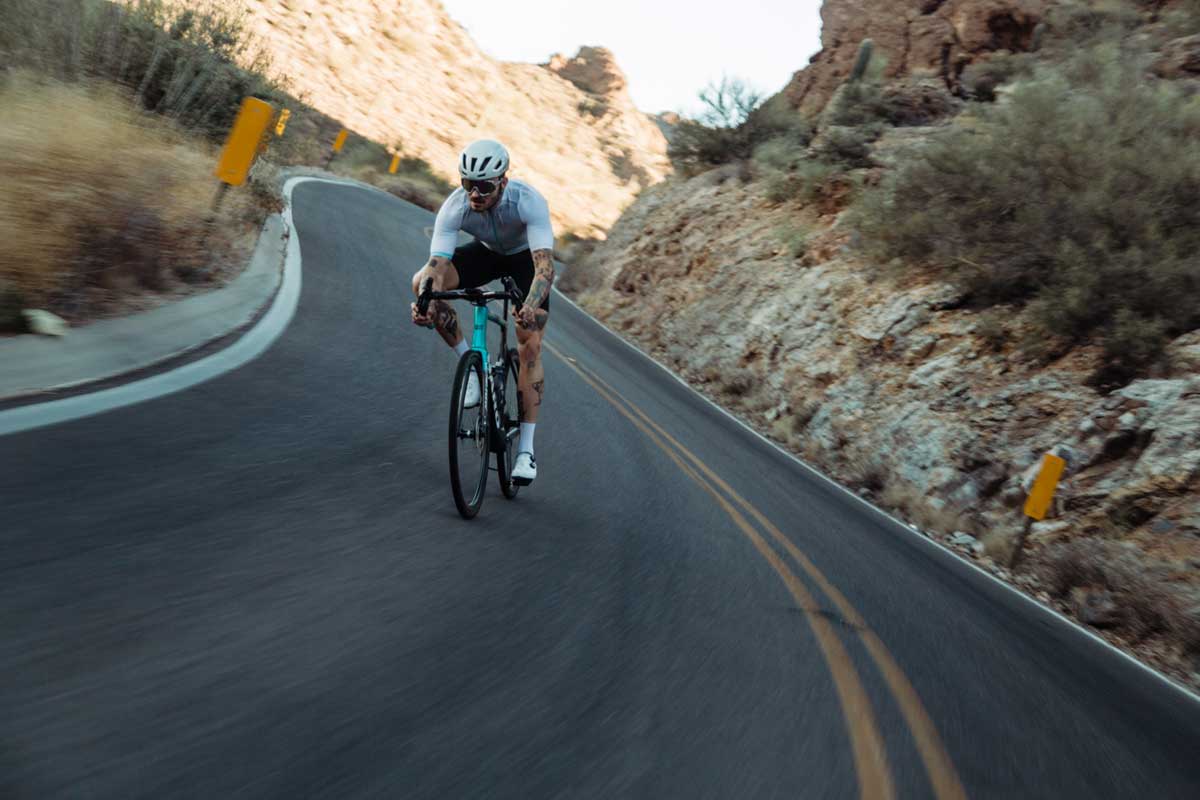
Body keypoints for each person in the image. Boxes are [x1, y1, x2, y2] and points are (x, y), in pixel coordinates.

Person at [411, 139, 555, 484]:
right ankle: (471, 368)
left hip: (524, 261)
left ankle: (525, 452)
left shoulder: (528, 202)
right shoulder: (455, 207)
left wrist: (529, 307)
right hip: (485, 253)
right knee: (420, 282)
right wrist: (424, 301)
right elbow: (437, 264)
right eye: (467, 185)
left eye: (484, 186)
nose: (475, 194)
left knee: (530, 343)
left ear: (503, 181)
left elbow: (545, 269)